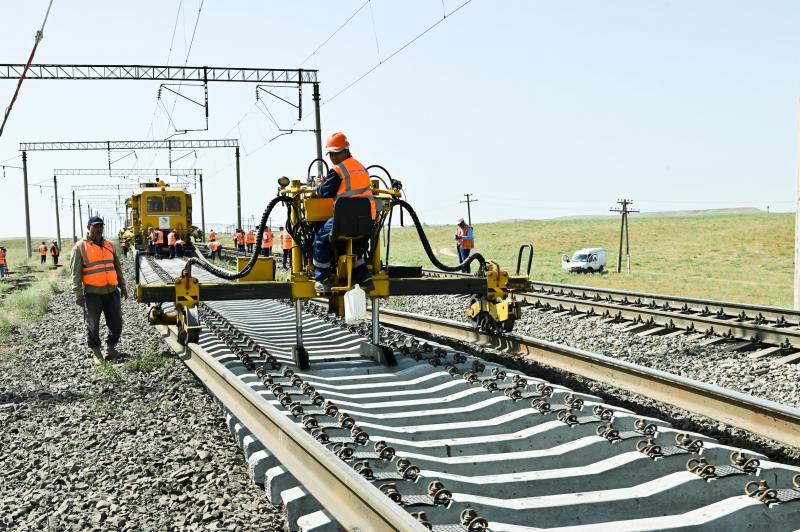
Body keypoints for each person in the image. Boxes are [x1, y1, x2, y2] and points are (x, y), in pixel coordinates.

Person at [312, 132, 376, 292]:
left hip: (344, 220)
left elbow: (325, 192)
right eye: (330, 154)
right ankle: (365, 278)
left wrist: (317, 186)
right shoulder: (361, 167)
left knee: (320, 239)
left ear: (346, 150)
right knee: (353, 247)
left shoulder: (338, 170)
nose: (333, 157)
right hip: (367, 220)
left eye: (336, 153)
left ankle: (323, 278)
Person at [70, 216, 127, 363]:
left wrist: (123, 286)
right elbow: (75, 274)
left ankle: (111, 348)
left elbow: (117, 268)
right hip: (93, 293)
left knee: (117, 323)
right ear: (88, 228)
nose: (99, 229)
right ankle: (96, 352)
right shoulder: (80, 247)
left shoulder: (110, 245)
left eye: (101, 227)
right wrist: (78, 294)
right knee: (93, 324)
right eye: (95, 227)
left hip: (112, 292)